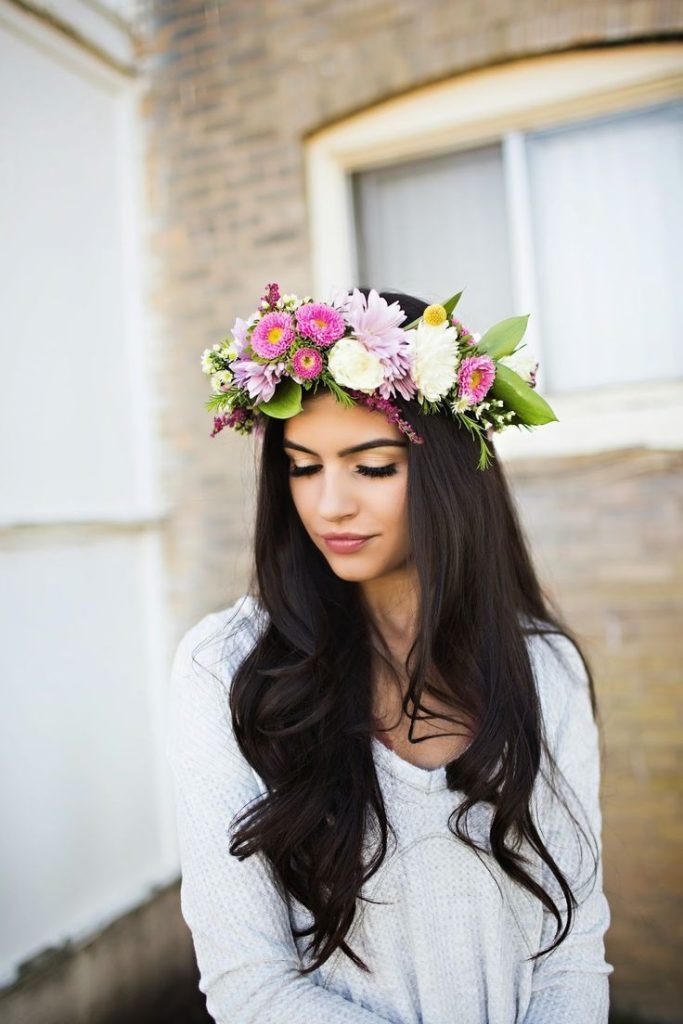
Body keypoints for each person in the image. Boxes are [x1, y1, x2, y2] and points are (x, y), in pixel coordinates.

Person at [166, 285, 613, 1023]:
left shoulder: (543, 666)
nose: (328, 504)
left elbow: (571, 953)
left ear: (445, 475)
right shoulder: (225, 670)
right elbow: (251, 985)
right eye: (302, 466)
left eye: (371, 466)